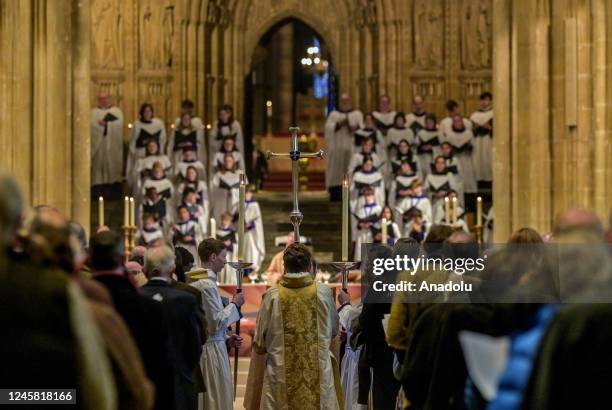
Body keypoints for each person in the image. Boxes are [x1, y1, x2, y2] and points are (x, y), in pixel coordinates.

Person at [246, 243, 341, 409]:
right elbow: (334, 330)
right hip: (318, 377)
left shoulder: (272, 296)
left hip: (280, 379)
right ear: (310, 265)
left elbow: (259, 344)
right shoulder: (324, 293)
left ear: (285, 267)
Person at [90, 231, 175, 410]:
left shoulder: (74, 302)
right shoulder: (150, 308)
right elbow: (163, 371)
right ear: (122, 260)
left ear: (89, 260)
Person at [140, 246, 202, 410]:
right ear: (172, 269)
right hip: (178, 381)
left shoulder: (134, 297)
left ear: (144, 270)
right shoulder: (186, 299)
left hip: (144, 382)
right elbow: (195, 344)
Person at [189, 239, 245, 410]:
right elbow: (215, 323)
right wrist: (234, 304)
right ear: (213, 257)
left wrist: (227, 338)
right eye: (223, 256)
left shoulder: (193, 278)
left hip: (208, 345)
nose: (225, 261)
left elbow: (205, 321)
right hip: (211, 351)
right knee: (216, 399)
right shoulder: (206, 284)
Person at [324, 93, 364, 198]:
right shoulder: (334, 114)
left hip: (352, 148)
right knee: (336, 171)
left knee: (350, 168)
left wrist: (355, 127)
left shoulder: (357, 114)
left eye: (347, 100)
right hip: (337, 149)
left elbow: (363, 130)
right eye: (343, 101)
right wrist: (340, 123)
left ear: (350, 101)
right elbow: (328, 129)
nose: (345, 103)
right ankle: (335, 193)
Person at [91, 90, 124, 187]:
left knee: (112, 166)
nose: (103, 101)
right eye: (101, 99)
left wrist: (108, 125)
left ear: (109, 99)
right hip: (99, 146)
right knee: (98, 168)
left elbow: (119, 125)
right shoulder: (93, 112)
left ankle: (113, 186)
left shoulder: (117, 111)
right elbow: (91, 126)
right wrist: (99, 127)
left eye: (105, 98)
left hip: (112, 145)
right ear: (98, 100)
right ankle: (98, 186)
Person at [127, 103, 167, 179]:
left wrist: (160, 151)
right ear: (142, 113)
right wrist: (133, 154)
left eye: (149, 111)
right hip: (141, 153)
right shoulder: (137, 124)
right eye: (145, 111)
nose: (147, 113)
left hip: (155, 153)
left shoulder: (158, 123)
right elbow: (133, 140)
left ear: (152, 112)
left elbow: (162, 139)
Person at [444, 114, 477, 195]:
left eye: (459, 121)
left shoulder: (468, 133)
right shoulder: (450, 135)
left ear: (462, 122)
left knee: (468, 181)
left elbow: (474, 147)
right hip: (455, 160)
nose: (457, 123)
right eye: (455, 121)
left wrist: (468, 146)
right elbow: (446, 149)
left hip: (467, 160)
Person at [209, 104, 244, 175]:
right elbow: (214, 176)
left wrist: (242, 186)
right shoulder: (218, 156)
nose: (223, 116)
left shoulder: (237, 156)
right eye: (221, 114)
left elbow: (242, 171)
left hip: (235, 183)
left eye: (225, 114)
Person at [211, 154, 244, 222]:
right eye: (226, 161)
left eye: (229, 161)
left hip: (236, 202)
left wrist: (234, 191)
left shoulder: (241, 174)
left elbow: (245, 189)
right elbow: (214, 190)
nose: (227, 163)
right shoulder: (218, 175)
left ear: (233, 162)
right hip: (222, 203)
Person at [470, 91, 493, 184]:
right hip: (478, 140)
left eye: (486, 100)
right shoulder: (475, 115)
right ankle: (479, 180)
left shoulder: (494, 113)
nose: (484, 102)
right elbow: (471, 130)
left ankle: (490, 180)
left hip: (489, 140)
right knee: (478, 160)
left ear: (490, 101)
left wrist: (490, 127)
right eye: (482, 100)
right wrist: (475, 128)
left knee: (489, 158)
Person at [243, 186, 265, 273]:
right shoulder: (239, 204)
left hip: (252, 233)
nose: (247, 195)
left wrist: (252, 225)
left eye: (249, 193)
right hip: (242, 233)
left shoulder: (255, 205)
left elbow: (258, 219)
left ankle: (250, 271)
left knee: (252, 251)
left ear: (251, 194)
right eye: (245, 193)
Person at [414, 113, 442, 179]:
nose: (429, 124)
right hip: (421, 159)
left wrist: (432, 148)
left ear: (434, 122)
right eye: (427, 122)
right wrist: (419, 147)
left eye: (431, 122)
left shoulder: (439, 134)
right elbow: (415, 147)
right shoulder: (421, 133)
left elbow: (442, 148)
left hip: (432, 159)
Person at [216, 212, 238, 284]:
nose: (225, 222)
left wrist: (230, 245)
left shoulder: (232, 233)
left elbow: (236, 246)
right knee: (220, 272)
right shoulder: (217, 231)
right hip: (219, 255)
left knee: (228, 271)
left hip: (228, 255)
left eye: (227, 220)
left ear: (230, 221)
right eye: (224, 220)